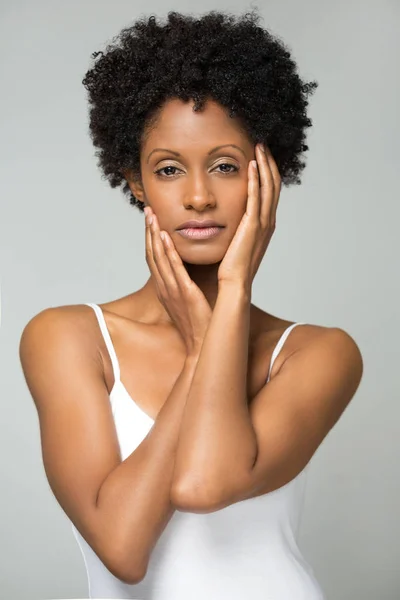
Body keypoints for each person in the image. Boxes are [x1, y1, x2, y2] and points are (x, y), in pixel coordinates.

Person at [19, 8, 364, 600]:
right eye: (170, 169)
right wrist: (201, 346)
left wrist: (232, 299)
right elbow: (123, 549)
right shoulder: (69, 338)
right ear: (134, 179)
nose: (199, 196)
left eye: (226, 167)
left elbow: (205, 483)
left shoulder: (316, 353)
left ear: (267, 173)